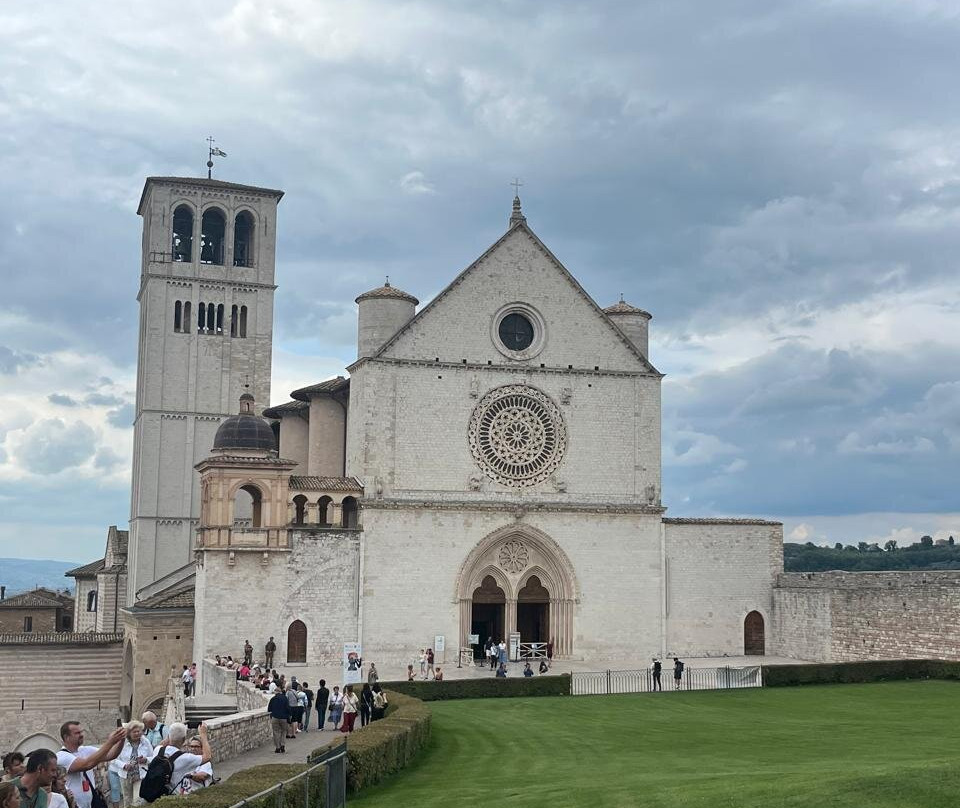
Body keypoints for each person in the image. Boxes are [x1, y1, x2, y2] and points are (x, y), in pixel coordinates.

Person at [57, 722, 126, 808]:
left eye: (81, 732)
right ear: (66, 737)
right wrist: (110, 742)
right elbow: (86, 765)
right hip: (73, 805)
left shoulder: (85, 750)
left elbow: (111, 755)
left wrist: (122, 739)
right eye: (77, 733)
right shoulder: (61, 756)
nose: (81, 735)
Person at [148, 723, 211, 796]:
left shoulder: (158, 750)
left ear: (169, 736)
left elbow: (162, 744)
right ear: (184, 740)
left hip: (155, 793)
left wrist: (170, 735)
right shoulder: (184, 758)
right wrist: (203, 735)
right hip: (173, 795)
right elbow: (207, 756)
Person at [113, 721, 152, 808]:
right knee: (127, 800)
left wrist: (146, 760)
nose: (137, 733)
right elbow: (113, 758)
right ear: (129, 733)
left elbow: (153, 757)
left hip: (140, 775)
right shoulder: (122, 742)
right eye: (134, 732)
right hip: (125, 776)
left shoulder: (145, 742)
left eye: (139, 731)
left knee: (138, 800)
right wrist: (124, 765)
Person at [268, 688, 291, 753]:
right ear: (280, 692)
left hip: (275, 717)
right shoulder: (285, 698)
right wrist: (289, 715)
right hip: (283, 718)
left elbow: (269, 709)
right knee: (284, 731)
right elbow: (288, 708)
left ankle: (277, 747)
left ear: (275, 692)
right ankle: (282, 745)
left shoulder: (273, 699)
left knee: (276, 732)